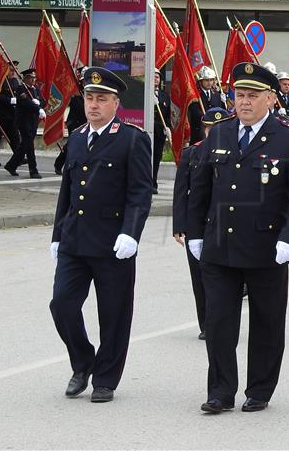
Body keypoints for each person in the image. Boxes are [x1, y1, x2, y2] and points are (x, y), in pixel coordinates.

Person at [186, 62, 289, 414]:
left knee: (267, 323)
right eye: (239, 95)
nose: (244, 102)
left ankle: (259, 389)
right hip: (220, 246)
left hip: (266, 249)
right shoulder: (220, 134)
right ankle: (221, 391)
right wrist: (194, 232)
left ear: (271, 99)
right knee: (219, 323)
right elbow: (199, 188)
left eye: (252, 96)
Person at [49, 67, 153, 403]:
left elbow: (140, 192)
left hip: (113, 243)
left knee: (113, 314)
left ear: (115, 103)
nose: (94, 105)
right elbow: (67, 190)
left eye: (101, 99)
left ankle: (105, 378)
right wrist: (56, 234)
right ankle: (83, 363)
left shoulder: (132, 139)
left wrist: (131, 234)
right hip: (75, 240)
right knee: (62, 304)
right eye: (89, 98)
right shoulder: (77, 137)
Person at [172, 107, 232, 340]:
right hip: (196, 224)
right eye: (209, 128)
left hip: (223, 223)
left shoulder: (234, 151)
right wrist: (179, 226)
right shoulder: (191, 154)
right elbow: (181, 193)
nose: (213, 132)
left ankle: (224, 320)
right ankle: (206, 323)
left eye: (218, 128)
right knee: (199, 276)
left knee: (223, 276)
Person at [4, 69, 44, 179]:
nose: (33, 80)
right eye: (31, 78)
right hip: (24, 121)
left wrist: (40, 103)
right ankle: (33, 170)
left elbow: (43, 100)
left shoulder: (35, 89)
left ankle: (11, 165)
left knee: (24, 146)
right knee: (29, 146)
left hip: (33, 121)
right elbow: (25, 103)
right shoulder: (21, 89)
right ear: (25, 78)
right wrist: (36, 107)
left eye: (34, 78)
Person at [0, 62, 21, 165]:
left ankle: (18, 157)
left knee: (15, 137)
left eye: (15, 70)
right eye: (12, 70)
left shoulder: (14, 81)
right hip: (1, 114)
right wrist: (9, 100)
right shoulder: (1, 81)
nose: (14, 72)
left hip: (12, 115)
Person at [152, 70, 171, 194]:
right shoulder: (143, 92)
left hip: (159, 131)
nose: (155, 79)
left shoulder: (164, 95)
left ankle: (153, 182)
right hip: (146, 130)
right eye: (153, 77)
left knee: (157, 157)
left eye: (157, 77)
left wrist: (167, 128)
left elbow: (167, 114)